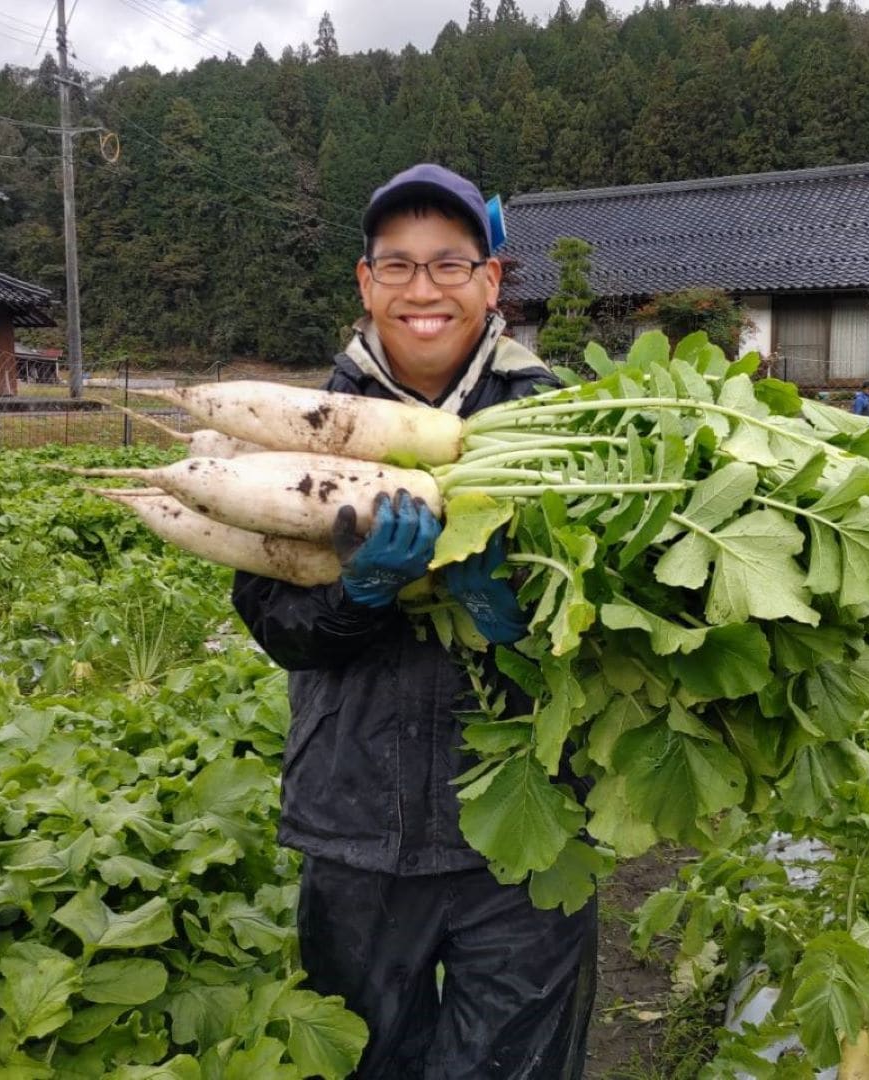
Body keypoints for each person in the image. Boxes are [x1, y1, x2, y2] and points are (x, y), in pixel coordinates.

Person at [232, 163, 597, 1078]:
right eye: (396, 266)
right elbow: (277, 628)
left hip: (527, 827)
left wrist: (513, 621)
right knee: (367, 1062)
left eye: (449, 264)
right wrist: (355, 598)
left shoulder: (568, 427)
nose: (422, 290)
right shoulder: (296, 430)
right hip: (355, 819)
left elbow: (623, 648)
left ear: (490, 280)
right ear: (366, 283)